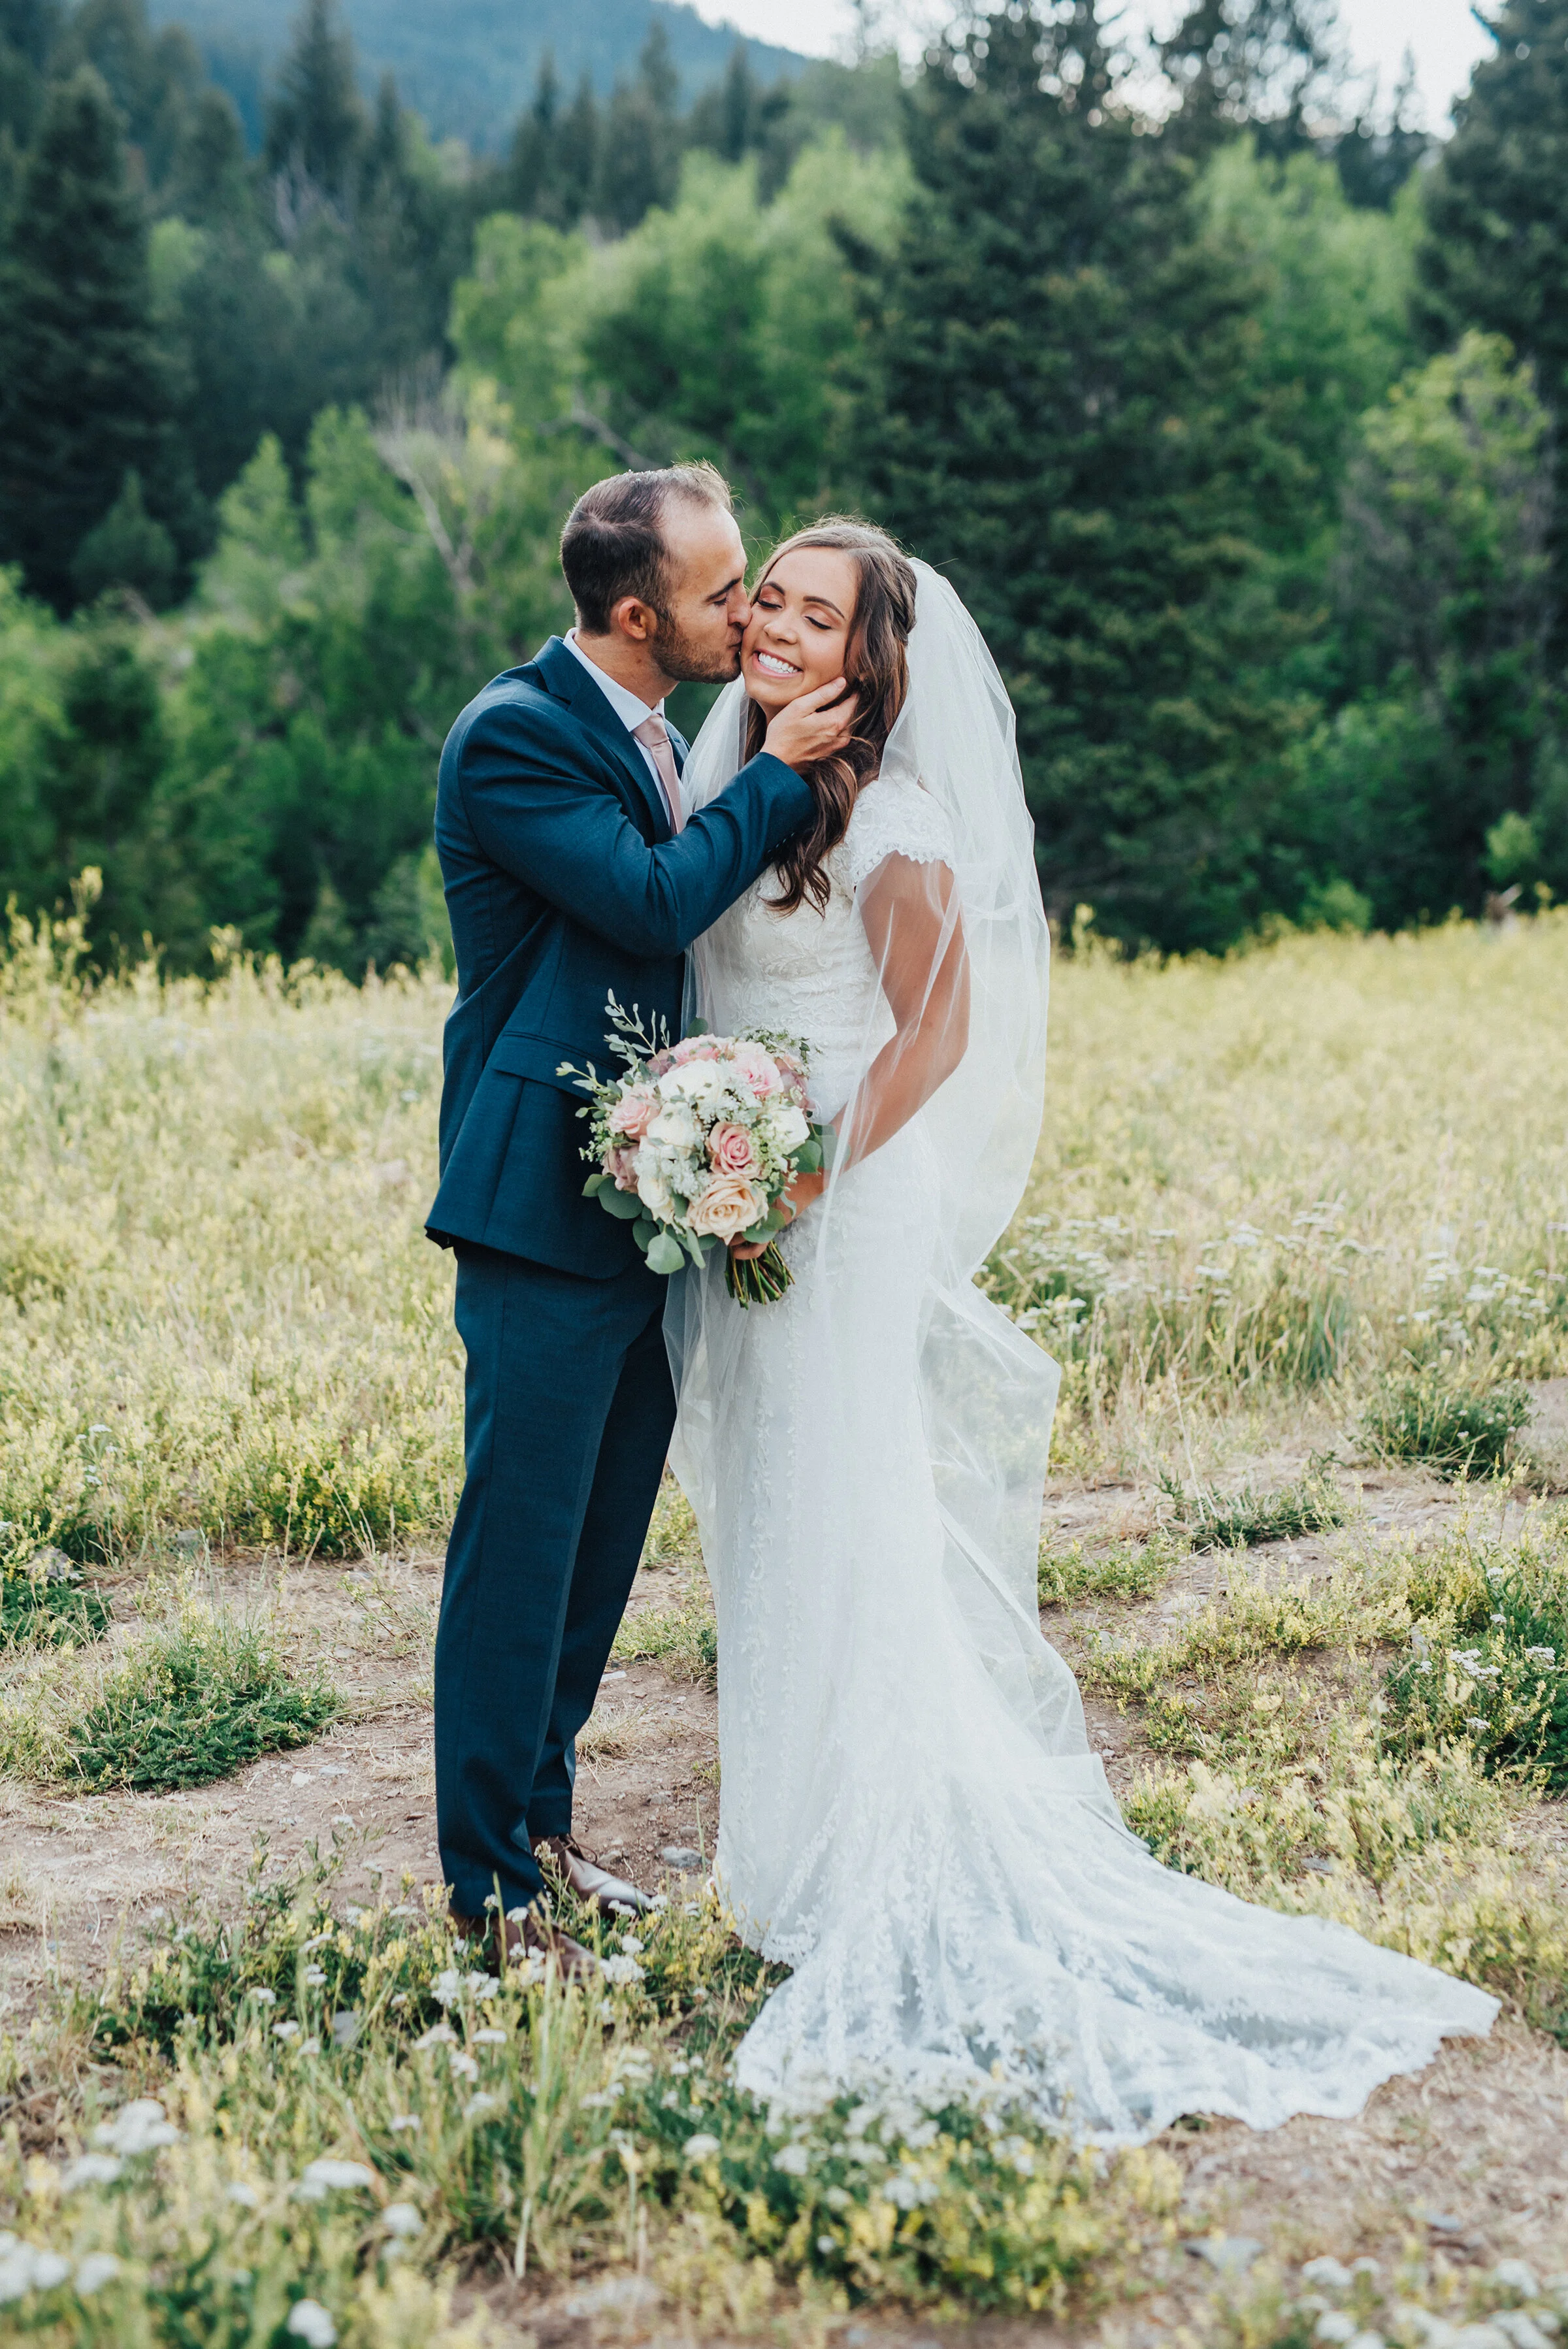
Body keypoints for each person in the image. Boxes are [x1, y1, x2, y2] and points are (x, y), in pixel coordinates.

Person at [667, 518, 1497, 2141]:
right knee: (765, 1490)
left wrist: (803, 1173)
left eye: (817, 615)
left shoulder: (893, 817)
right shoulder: (733, 779)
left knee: (844, 1493)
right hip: (742, 1178)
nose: (774, 625)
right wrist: (712, 1151)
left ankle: (867, 1832)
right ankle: (778, 1837)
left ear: (869, 660)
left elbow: (938, 1031)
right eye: (769, 597)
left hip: (833, 1189)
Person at [425, 464, 857, 1974]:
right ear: (632, 614)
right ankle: (487, 1895)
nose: (747, 614)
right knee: (518, 1552)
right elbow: (656, 901)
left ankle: (541, 1834)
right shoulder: (516, 738)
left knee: (597, 1544)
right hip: (537, 1206)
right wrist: (782, 776)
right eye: (723, 591)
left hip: (646, 1203)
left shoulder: (667, 730)